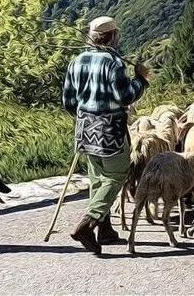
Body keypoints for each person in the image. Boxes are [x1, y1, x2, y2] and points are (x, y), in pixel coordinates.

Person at [61, 16, 149, 254]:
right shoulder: (114, 63)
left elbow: (69, 102)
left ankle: (106, 231)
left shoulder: (75, 62)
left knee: (97, 178)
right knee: (116, 175)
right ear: (112, 36)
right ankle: (88, 223)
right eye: (117, 35)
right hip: (110, 129)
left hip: (84, 129)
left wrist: (86, 116)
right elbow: (126, 96)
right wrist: (140, 78)